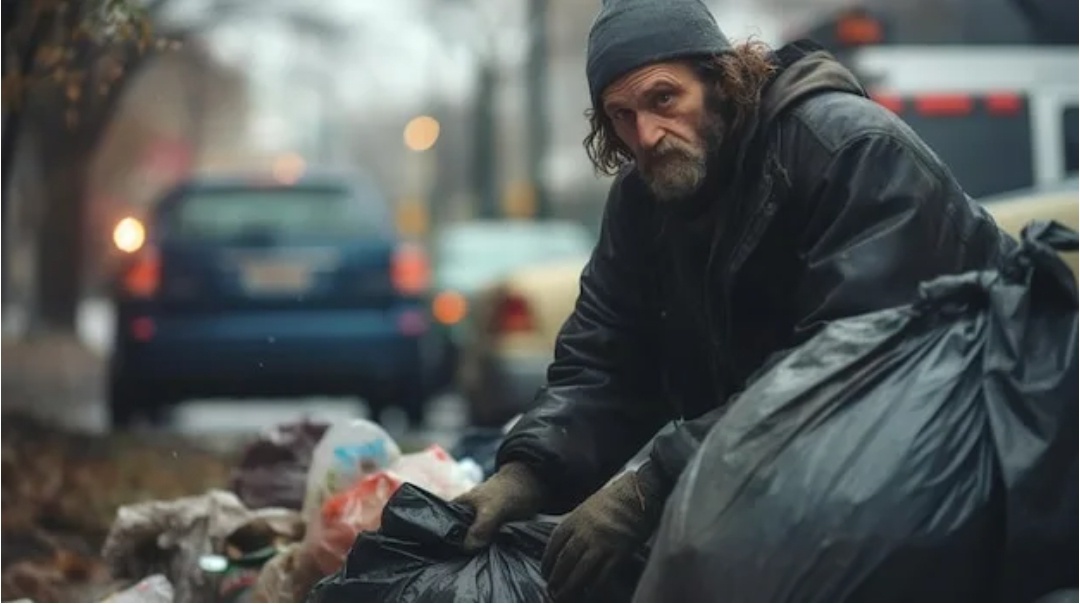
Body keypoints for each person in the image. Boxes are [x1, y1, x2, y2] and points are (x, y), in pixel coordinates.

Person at [454, 0, 1011, 600]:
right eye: (622, 116)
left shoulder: (848, 151)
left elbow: (845, 372)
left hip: (960, 468)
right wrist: (527, 473)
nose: (646, 134)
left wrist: (650, 485)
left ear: (721, 80)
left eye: (664, 98)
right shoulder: (643, 200)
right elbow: (606, 360)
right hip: (799, 480)